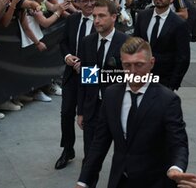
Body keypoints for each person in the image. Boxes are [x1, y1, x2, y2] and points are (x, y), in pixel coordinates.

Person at [75, 36, 189, 188]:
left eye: (139, 65)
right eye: (127, 65)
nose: (133, 71)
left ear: (151, 63)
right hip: (120, 180)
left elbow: (179, 143)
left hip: (155, 182)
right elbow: (99, 143)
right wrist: (83, 181)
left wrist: (176, 167)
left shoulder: (167, 100)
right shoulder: (111, 95)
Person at [76, 0, 129, 188]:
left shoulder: (126, 42)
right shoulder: (87, 42)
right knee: (90, 158)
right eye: (94, 16)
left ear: (114, 17)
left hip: (119, 109)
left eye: (101, 16)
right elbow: (85, 79)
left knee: (123, 158)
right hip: (93, 109)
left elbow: (128, 78)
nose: (96, 20)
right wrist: (81, 110)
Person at [55, 0, 97, 170]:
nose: (89, 4)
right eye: (85, 1)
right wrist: (67, 57)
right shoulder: (72, 20)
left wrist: (87, 65)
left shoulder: (100, 20)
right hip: (72, 73)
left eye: (92, 0)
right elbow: (63, 42)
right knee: (66, 113)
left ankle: (90, 155)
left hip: (91, 72)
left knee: (88, 115)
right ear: (78, 3)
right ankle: (67, 149)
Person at [133, 0, 190, 91]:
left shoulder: (179, 24)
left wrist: (172, 84)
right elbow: (135, 45)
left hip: (164, 82)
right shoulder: (142, 16)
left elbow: (183, 58)